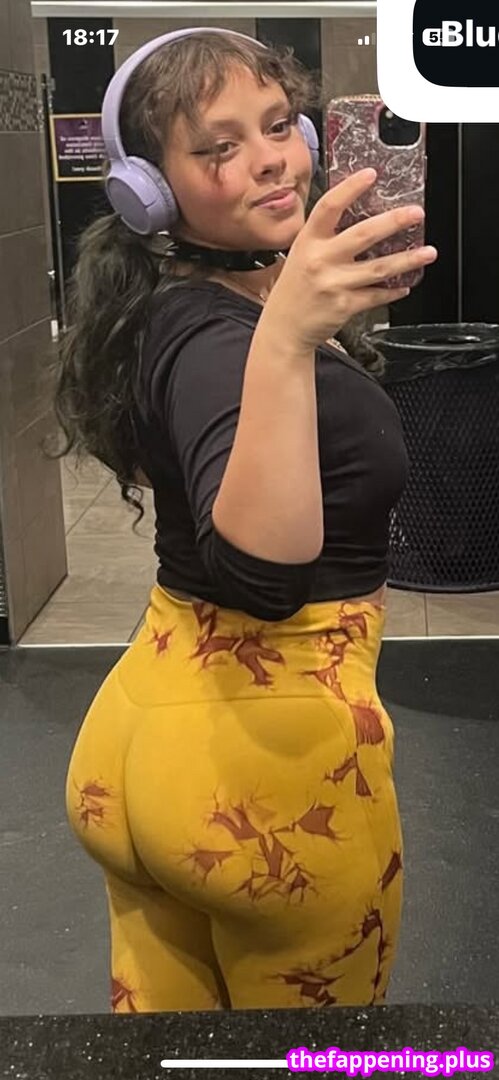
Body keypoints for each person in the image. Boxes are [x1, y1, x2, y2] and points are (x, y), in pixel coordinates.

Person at [59, 27, 438, 1013]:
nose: (270, 157)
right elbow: (263, 577)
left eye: (277, 126)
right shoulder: (224, 342)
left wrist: (296, 316)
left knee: (160, 1059)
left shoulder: (182, 307)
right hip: (268, 783)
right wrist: (287, 337)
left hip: (139, 739)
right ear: (150, 190)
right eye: (217, 147)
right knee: (314, 1064)